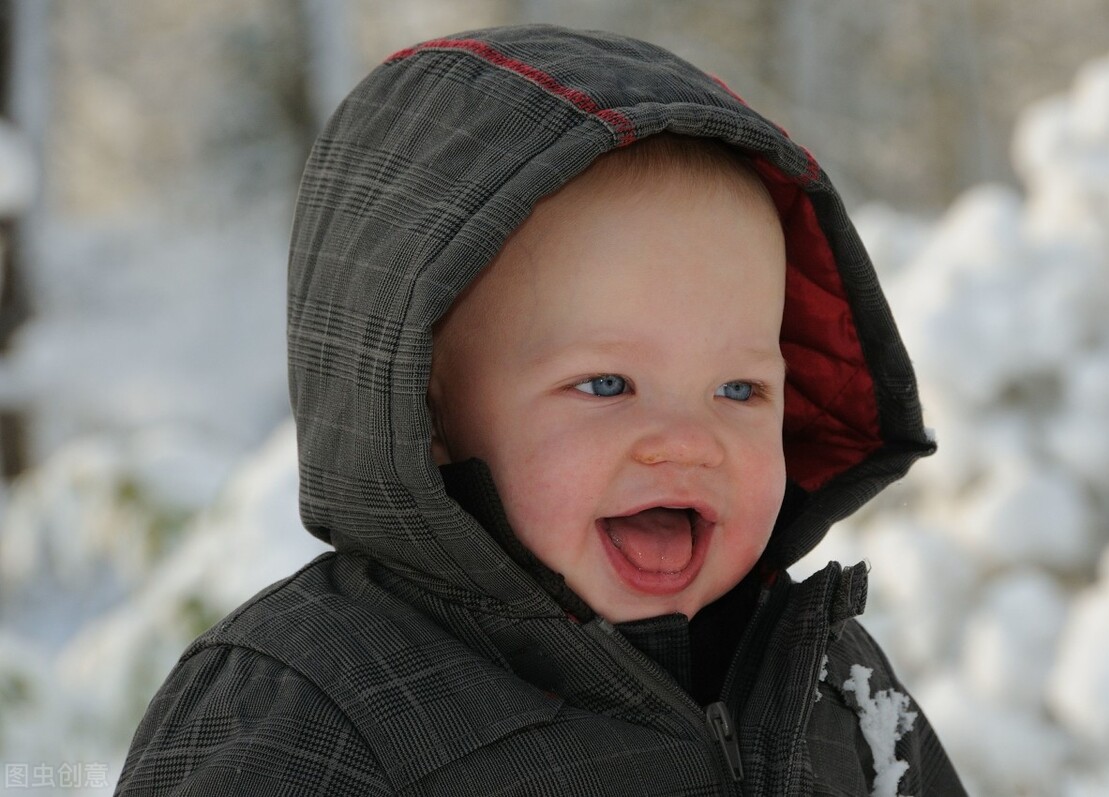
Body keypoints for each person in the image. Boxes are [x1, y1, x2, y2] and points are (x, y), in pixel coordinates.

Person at [116, 24, 966, 796]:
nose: (686, 443)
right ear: (428, 408)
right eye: (606, 385)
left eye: (739, 390)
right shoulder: (314, 704)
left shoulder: (823, 677)